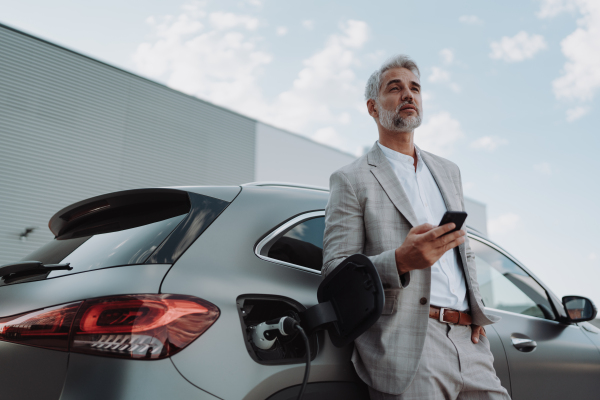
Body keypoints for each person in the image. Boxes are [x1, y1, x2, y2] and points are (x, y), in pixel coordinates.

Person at [322, 55, 511, 400]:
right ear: (373, 107)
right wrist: (400, 261)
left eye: (415, 88)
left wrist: (478, 312)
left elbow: (462, 251)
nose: (408, 94)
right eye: (395, 88)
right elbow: (335, 272)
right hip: (410, 346)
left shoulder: (448, 171)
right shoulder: (351, 179)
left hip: (470, 343)